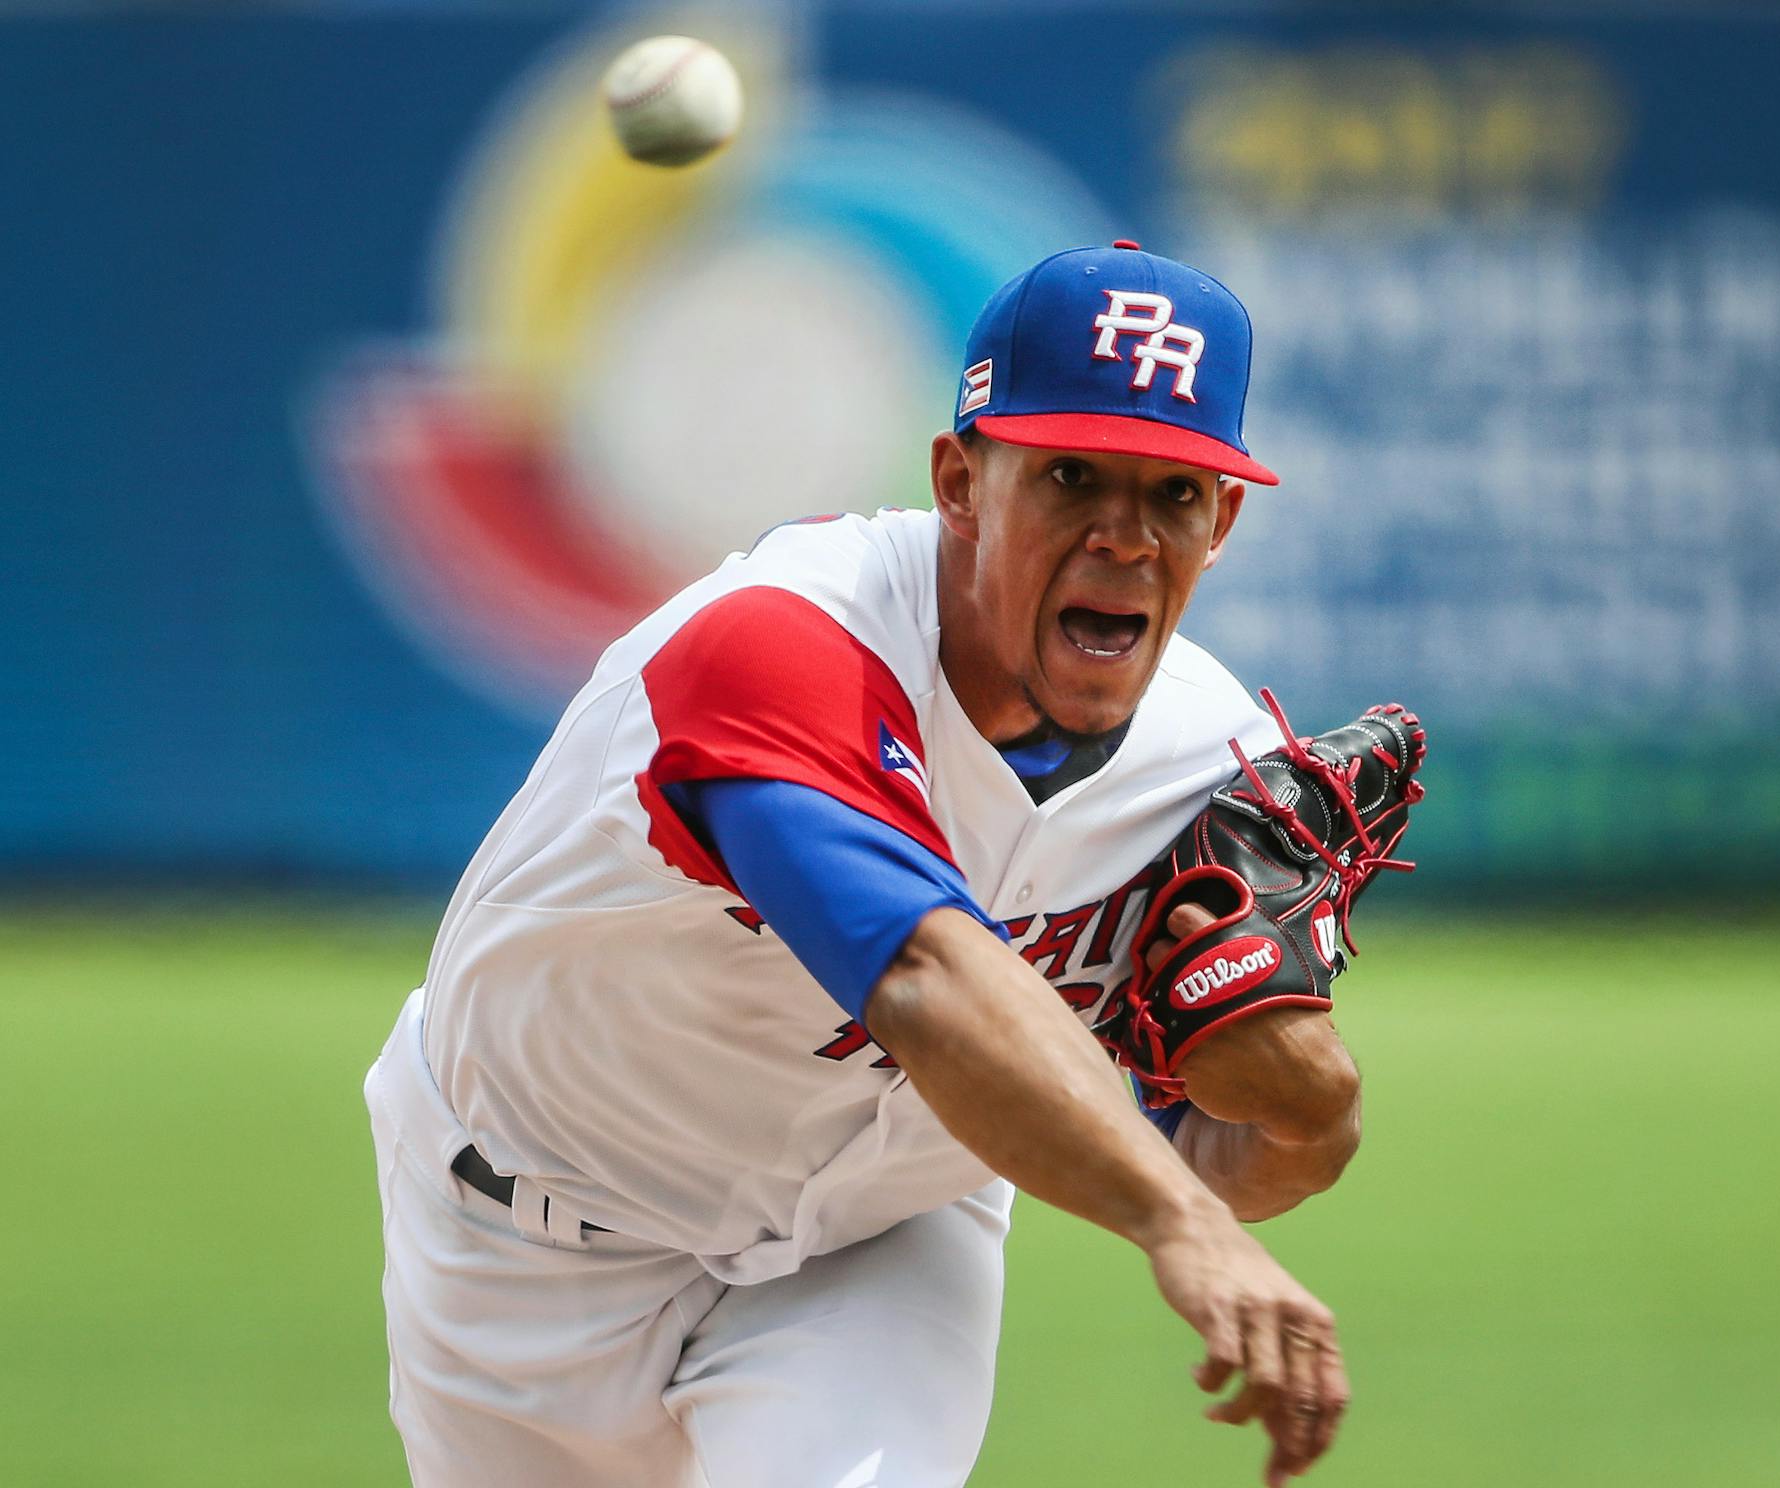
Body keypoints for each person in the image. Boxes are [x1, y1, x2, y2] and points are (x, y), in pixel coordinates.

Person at [363, 240, 1366, 1488]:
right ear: (960, 480)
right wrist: (1178, 1227)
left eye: (1173, 493)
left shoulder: (1206, 770)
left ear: (1222, 522)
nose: (1125, 538)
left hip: (877, 1247)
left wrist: (1305, 1116)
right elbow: (930, 984)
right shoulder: (779, 645)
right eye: (1070, 475)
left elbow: (1208, 1161)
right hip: (521, 1238)